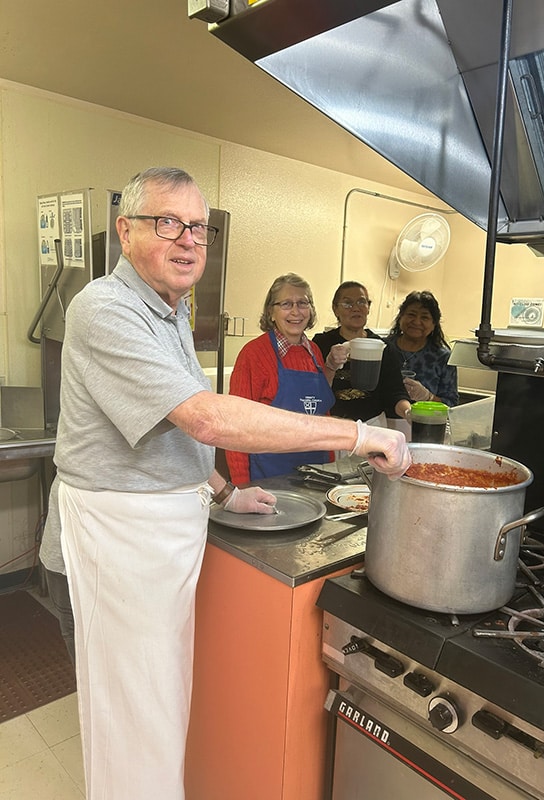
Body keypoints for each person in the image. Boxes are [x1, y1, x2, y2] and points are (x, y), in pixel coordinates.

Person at [38, 166, 411, 800]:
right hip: (115, 539)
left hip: (160, 538)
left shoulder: (172, 312)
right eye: (168, 223)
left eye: (199, 229)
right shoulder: (104, 307)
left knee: (161, 710)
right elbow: (207, 416)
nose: (188, 241)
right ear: (125, 231)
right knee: (131, 724)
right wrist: (356, 435)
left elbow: (176, 428)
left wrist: (222, 491)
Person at [226, 273, 348, 484]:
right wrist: (242, 486)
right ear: (271, 312)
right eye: (286, 304)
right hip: (269, 478)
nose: (295, 311)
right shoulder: (253, 354)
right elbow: (236, 427)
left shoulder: (315, 352)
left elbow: (321, 412)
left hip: (316, 473)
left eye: (302, 303)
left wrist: (329, 466)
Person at [312, 280, 411, 422]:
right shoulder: (321, 344)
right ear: (335, 309)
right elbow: (312, 389)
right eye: (347, 304)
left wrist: (408, 412)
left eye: (361, 302)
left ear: (368, 308)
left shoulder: (383, 346)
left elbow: (395, 392)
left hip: (373, 424)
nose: (355, 308)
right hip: (332, 423)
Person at [386, 290, 459, 407]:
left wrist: (428, 397)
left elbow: (451, 405)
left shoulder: (442, 358)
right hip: (383, 420)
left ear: (434, 324)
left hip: (424, 422)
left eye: (424, 317)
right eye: (411, 315)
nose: (416, 322)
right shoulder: (384, 348)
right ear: (400, 317)